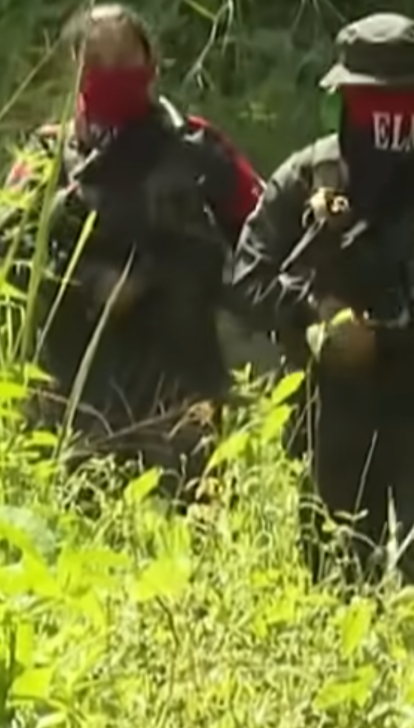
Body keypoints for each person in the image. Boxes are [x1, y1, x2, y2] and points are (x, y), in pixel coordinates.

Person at [230, 12, 414, 588]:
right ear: (345, 98)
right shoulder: (306, 179)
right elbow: (248, 279)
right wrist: (316, 315)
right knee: (338, 580)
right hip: (335, 414)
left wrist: (391, 340)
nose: (386, 117)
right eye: (372, 100)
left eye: (400, 101)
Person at [2, 3, 262, 499]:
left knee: (190, 520)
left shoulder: (196, 148)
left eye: (125, 59)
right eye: (98, 60)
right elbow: (8, 256)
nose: (113, 72)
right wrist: (87, 283)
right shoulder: (44, 160)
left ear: (152, 63)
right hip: (71, 391)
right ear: (74, 66)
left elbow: (263, 233)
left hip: (179, 386)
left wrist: (156, 280)